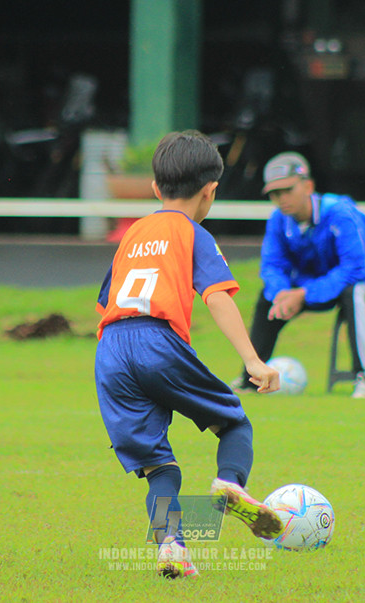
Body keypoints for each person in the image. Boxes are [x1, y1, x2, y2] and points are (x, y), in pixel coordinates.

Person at [94, 130, 283, 579]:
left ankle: (172, 548)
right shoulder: (192, 232)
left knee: (158, 464)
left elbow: (105, 303)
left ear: (156, 189)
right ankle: (229, 485)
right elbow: (217, 296)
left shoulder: (133, 233)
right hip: (158, 341)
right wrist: (254, 361)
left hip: (111, 351)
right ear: (210, 191)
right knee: (234, 423)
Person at [234, 152, 365, 399]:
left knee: (354, 291)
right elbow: (271, 267)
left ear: (308, 186)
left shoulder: (341, 213)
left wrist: (303, 294)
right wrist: (282, 294)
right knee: (267, 299)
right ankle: (251, 379)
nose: (281, 199)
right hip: (313, 284)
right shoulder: (278, 220)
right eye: (274, 194)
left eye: (287, 190)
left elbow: (354, 270)